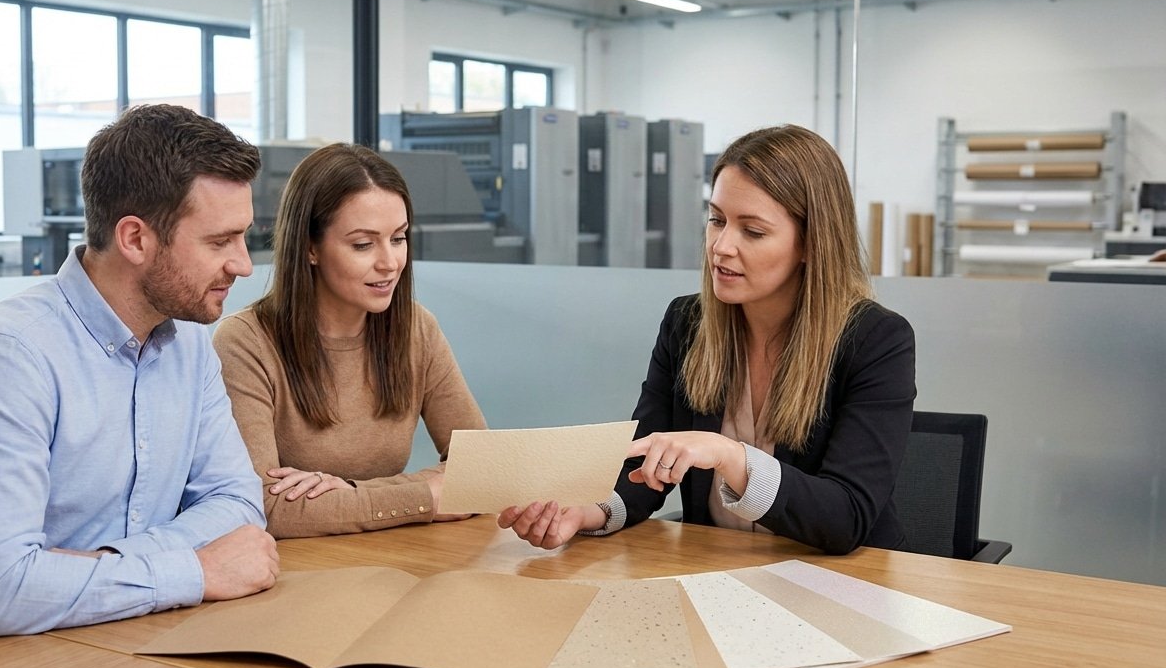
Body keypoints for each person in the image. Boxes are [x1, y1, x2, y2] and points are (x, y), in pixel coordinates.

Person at [0, 105, 279, 642]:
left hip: (120, 634)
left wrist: (96, 567)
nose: (242, 264)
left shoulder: (189, 342)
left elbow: (238, 505)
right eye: (219, 242)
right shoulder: (9, 358)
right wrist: (196, 569)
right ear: (135, 239)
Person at [500, 124, 916, 556]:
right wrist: (588, 511)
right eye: (717, 220)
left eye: (752, 231)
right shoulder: (687, 324)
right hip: (713, 570)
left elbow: (846, 516)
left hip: (840, 578)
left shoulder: (876, 340)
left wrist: (730, 456)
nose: (721, 246)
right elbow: (645, 467)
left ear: (812, 243)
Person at [213, 143, 485, 538]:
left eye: (398, 238)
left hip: (395, 557)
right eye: (363, 244)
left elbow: (483, 470)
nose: (389, 263)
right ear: (310, 247)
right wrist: (426, 493)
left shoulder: (417, 328)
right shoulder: (244, 343)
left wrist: (353, 492)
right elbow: (265, 507)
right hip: (298, 568)